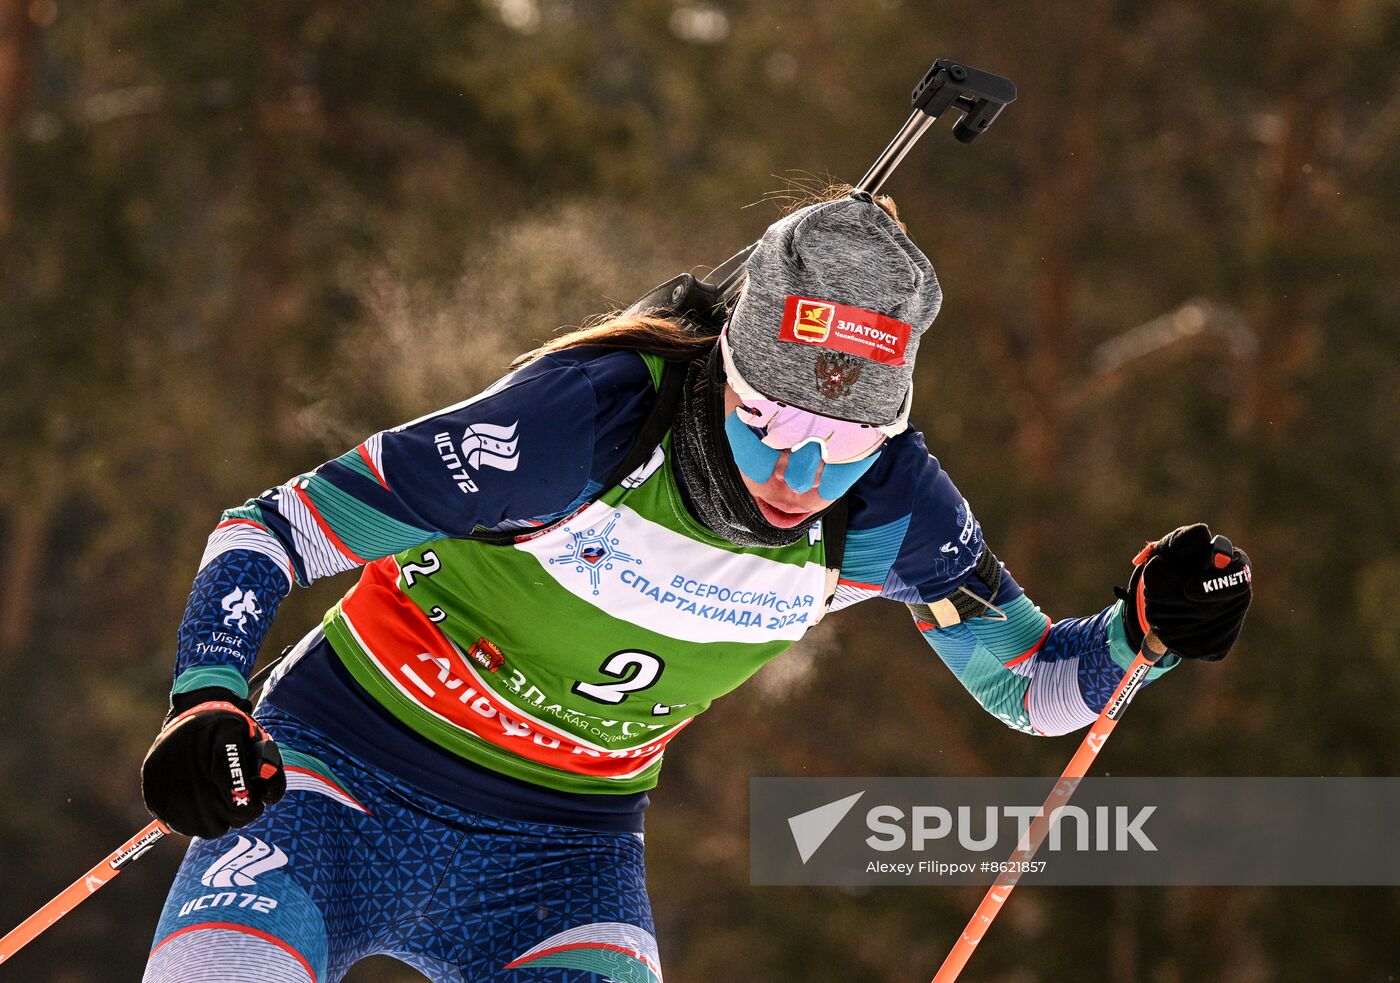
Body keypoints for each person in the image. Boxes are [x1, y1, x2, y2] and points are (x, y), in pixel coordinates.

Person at [138, 190, 1252, 982]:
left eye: (849, 438)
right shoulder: (578, 427)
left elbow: (1031, 686)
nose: (801, 469)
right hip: (337, 779)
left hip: (557, 854)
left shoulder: (891, 511)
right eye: (772, 421)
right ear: (724, 366)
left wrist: (1138, 631)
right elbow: (274, 526)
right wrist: (208, 694)